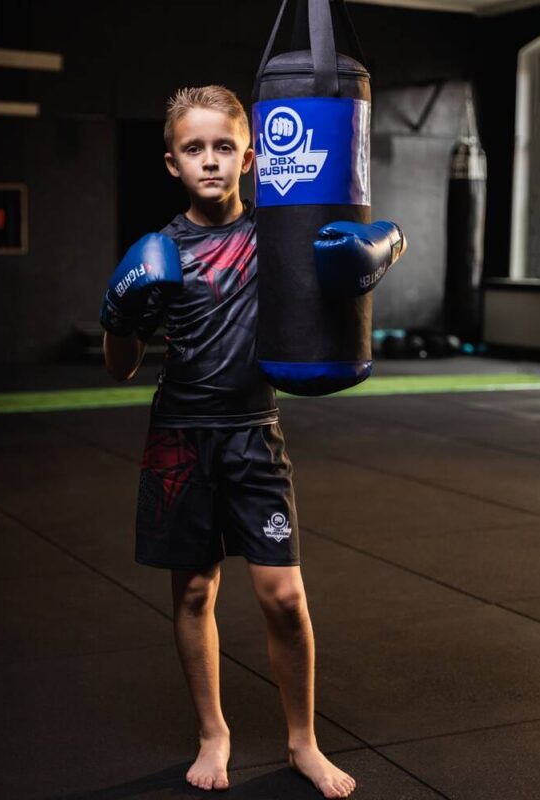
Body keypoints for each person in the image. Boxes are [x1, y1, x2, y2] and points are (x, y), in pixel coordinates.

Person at [100, 84, 360, 799]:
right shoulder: (161, 251)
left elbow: (339, 288)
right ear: (171, 162)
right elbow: (121, 367)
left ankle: (302, 741)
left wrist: (369, 262)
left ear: (248, 158)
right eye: (194, 149)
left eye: (223, 147)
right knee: (191, 594)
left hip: (253, 437)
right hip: (179, 440)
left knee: (283, 598)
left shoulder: (273, 237)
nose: (209, 161)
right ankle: (213, 732)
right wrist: (119, 316)